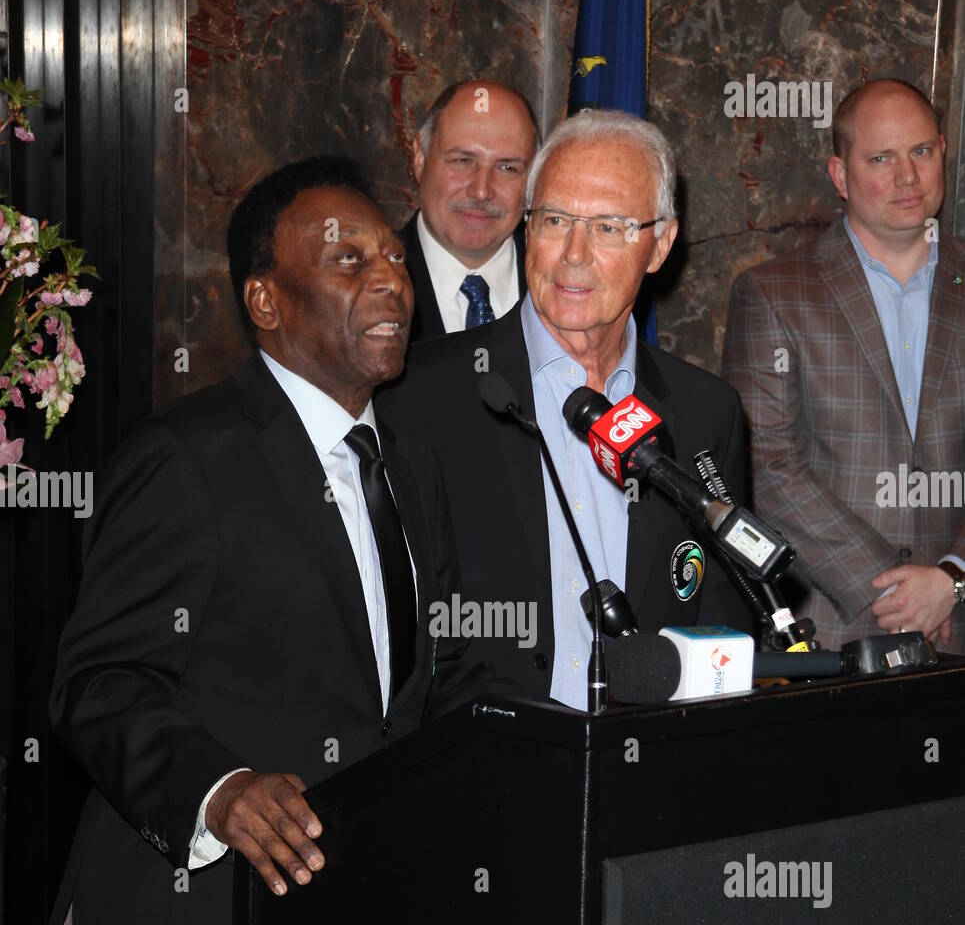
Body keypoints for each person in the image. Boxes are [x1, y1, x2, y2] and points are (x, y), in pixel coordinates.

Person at [40, 155, 491, 925]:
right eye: (348, 260)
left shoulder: (408, 467)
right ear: (265, 300)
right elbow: (96, 684)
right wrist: (219, 786)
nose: (389, 278)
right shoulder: (188, 458)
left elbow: (398, 698)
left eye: (391, 255)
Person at [377, 109, 751, 707]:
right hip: (481, 764)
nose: (573, 255)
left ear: (659, 245)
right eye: (554, 220)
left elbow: (723, 622)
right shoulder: (421, 394)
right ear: (528, 227)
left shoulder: (707, 410)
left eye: (608, 228)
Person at [722, 78, 965, 653]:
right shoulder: (774, 293)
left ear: (943, 152)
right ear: (840, 175)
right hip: (829, 629)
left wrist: (952, 578)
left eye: (921, 152)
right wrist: (893, 592)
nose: (908, 177)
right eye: (881, 158)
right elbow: (766, 466)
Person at [402, 79, 539, 343]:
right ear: (420, 158)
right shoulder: (365, 285)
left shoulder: (566, 287)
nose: (481, 191)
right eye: (462, 161)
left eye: (507, 168)